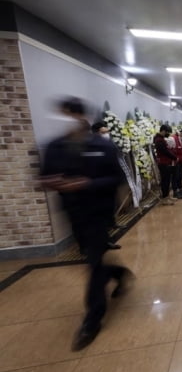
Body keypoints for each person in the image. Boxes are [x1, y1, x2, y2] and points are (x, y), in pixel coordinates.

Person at [40, 97, 133, 351]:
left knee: (92, 263)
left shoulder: (101, 146)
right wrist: (54, 181)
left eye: (69, 115)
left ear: (81, 117)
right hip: (73, 213)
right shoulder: (55, 147)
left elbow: (117, 177)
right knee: (92, 259)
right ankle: (118, 274)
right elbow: (43, 177)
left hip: (99, 211)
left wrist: (87, 184)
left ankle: (92, 320)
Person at [90, 120, 122, 250]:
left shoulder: (108, 145)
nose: (107, 134)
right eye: (104, 131)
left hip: (108, 184)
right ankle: (102, 242)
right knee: (99, 217)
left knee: (108, 209)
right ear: (97, 131)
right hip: (97, 187)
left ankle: (110, 228)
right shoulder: (91, 146)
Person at [153, 124, 177, 205]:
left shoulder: (161, 138)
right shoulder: (159, 140)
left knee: (167, 180)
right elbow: (165, 151)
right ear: (163, 131)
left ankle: (167, 196)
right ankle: (164, 198)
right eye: (167, 132)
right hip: (163, 163)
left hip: (166, 162)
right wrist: (174, 157)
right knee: (165, 181)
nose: (168, 134)